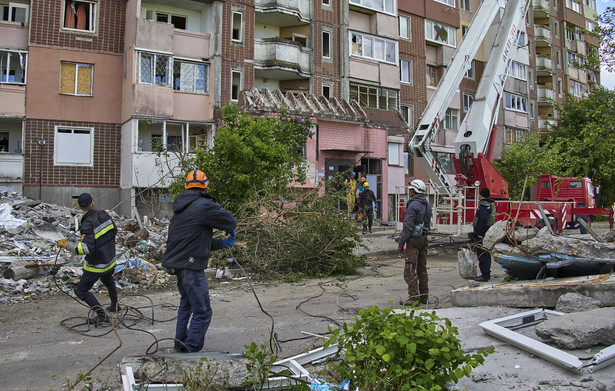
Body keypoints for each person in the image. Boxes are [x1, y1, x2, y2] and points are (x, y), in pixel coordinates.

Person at [162, 169, 237, 353]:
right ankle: (191, 348)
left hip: (178, 263)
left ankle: (180, 343)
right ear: (205, 186)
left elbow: (194, 240)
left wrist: (222, 243)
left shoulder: (182, 208)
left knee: (186, 305)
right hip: (190, 266)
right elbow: (230, 221)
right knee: (202, 311)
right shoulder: (203, 205)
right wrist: (230, 229)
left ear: (187, 186)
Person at [57, 193, 119, 325]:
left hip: (97, 265)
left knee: (81, 290)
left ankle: (102, 315)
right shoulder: (104, 214)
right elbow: (114, 231)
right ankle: (115, 306)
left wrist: (66, 245)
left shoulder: (87, 224)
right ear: (93, 203)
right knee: (108, 281)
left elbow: (84, 249)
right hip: (110, 259)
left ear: (79, 207)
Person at [397, 179, 432, 305]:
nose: (409, 192)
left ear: (413, 191)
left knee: (410, 269)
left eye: (410, 190)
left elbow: (407, 226)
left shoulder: (413, 205)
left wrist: (401, 242)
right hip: (424, 239)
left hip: (414, 240)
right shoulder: (427, 205)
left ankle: (413, 298)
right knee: (422, 269)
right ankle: (424, 296)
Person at [472, 188, 495, 282]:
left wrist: (480, 233)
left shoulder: (484, 206)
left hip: (482, 233)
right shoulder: (490, 204)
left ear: (481, 195)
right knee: (486, 253)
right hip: (487, 232)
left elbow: (482, 219)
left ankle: (485, 275)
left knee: (482, 254)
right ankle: (486, 273)